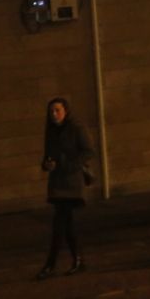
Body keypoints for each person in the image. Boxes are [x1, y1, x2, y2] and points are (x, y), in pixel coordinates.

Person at [38, 97, 94, 278]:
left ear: (66, 111)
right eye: (51, 111)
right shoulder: (51, 130)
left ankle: (50, 264)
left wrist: (69, 165)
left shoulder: (76, 127)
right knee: (66, 223)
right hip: (57, 182)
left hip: (71, 181)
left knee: (59, 223)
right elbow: (48, 154)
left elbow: (88, 151)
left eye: (57, 110)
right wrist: (46, 164)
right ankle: (78, 260)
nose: (54, 114)